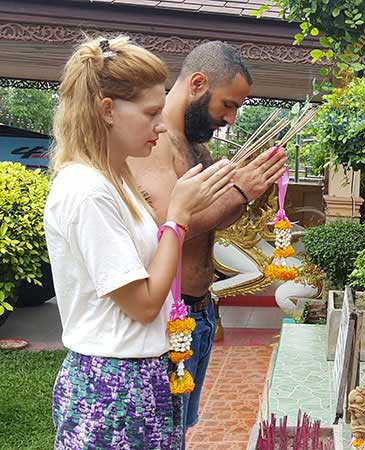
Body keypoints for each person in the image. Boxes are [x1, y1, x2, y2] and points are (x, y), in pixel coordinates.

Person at [45, 36, 236, 449]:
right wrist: (179, 218)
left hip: (142, 374)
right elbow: (145, 302)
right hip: (112, 386)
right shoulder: (87, 190)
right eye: (151, 113)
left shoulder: (117, 183)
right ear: (107, 110)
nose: (162, 125)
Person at [127, 41, 287, 439]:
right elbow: (168, 229)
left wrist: (251, 188)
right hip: (167, 316)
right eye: (228, 105)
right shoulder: (155, 143)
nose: (230, 119)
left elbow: (214, 223)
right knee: (161, 431)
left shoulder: (198, 145)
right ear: (198, 83)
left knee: (179, 429)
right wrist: (239, 193)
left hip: (199, 310)